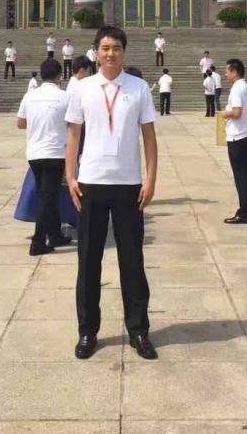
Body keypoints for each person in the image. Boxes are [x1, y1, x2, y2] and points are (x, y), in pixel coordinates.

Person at [65, 25, 158, 361]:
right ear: (96, 52)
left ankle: (138, 330)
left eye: (116, 48)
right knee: (88, 260)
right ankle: (87, 331)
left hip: (128, 184)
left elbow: (149, 136)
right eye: (105, 48)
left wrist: (150, 179)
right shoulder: (82, 88)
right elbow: (73, 135)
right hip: (91, 183)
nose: (110, 54)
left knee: (132, 260)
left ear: (124, 51)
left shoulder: (138, 87)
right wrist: (70, 175)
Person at [16, 59, 71, 255]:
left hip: (34, 153)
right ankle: (38, 241)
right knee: (47, 196)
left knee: (49, 194)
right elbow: (73, 123)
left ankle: (55, 234)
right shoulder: (65, 97)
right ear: (59, 76)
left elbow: (20, 123)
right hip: (55, 153)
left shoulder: (30, 96)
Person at [222, 58, 247, 224]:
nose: (225, 74)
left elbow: (237, 112)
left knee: (241, 176)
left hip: (238, 137)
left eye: (227, 71)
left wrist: (224, 113)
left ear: (234, 71)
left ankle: (244, 213)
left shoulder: (237, 88)